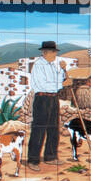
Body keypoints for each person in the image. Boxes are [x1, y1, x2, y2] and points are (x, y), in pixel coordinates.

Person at [27, 41, 65, 170]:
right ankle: (33, 160)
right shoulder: (38, 65)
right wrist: (62, 85)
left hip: (54, 98)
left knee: (53, 128)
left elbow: (60, 79)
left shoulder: (53, 65)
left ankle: (50, 156)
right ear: (45, 52)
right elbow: (43, 85)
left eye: (55, 52)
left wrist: (64, 70)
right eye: (52, 52)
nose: (55, 54)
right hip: (42, 98)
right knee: (39, 129)